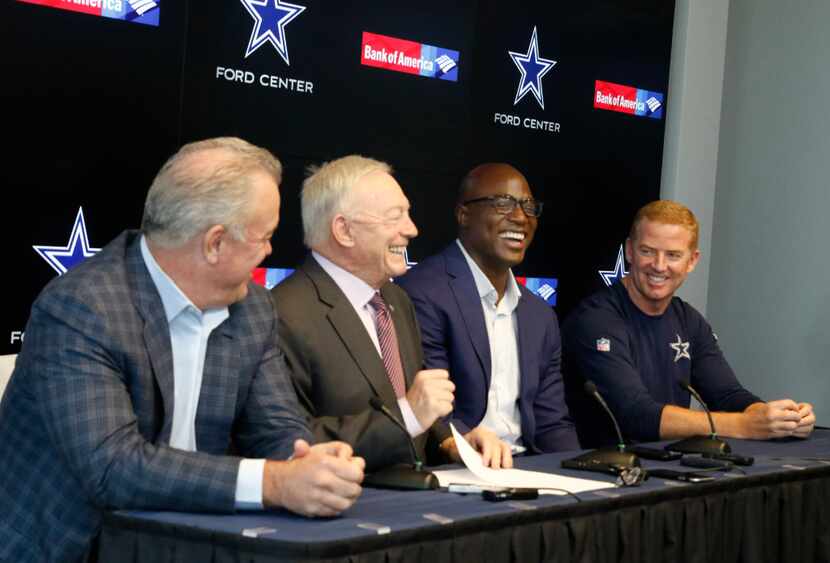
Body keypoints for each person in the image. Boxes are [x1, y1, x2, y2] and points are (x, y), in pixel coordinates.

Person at [0, 138, 364, 563]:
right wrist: (275, 482)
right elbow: (113, 469)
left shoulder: (254, 309)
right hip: (71, 548)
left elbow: (276, 426)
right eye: (263, 237)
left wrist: (309, 462)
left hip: (186, 542)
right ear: (215, 243)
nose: (269, 251)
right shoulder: (83, 308)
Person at [271, 155, 506, 471]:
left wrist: (453, 441)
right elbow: (289, 442)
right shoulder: (283, 314)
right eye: (395, 217)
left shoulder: (396, 299)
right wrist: (407, 415)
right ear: (344, 230)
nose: (412, 230)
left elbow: (416, 407)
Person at [561, 199, 816, 447]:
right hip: (600, 476)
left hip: (668, 470)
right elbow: (636, 415)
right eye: (647, 251)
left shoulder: (688, 320)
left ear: (692, 261)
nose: (659, 266)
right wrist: (746, 425)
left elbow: (727, 395)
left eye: (673, 255)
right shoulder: (595, 319)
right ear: (629, 251)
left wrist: (777, 418)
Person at [397, 163, 580, 468]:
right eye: (503, 203)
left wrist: (582, 480)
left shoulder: (539, 315)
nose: (520, 217)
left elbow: (552, 424)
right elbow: (434, 415)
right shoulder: (423, 293)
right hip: (458, 470)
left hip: (528, 469)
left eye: (528, 207)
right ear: (464, 214)